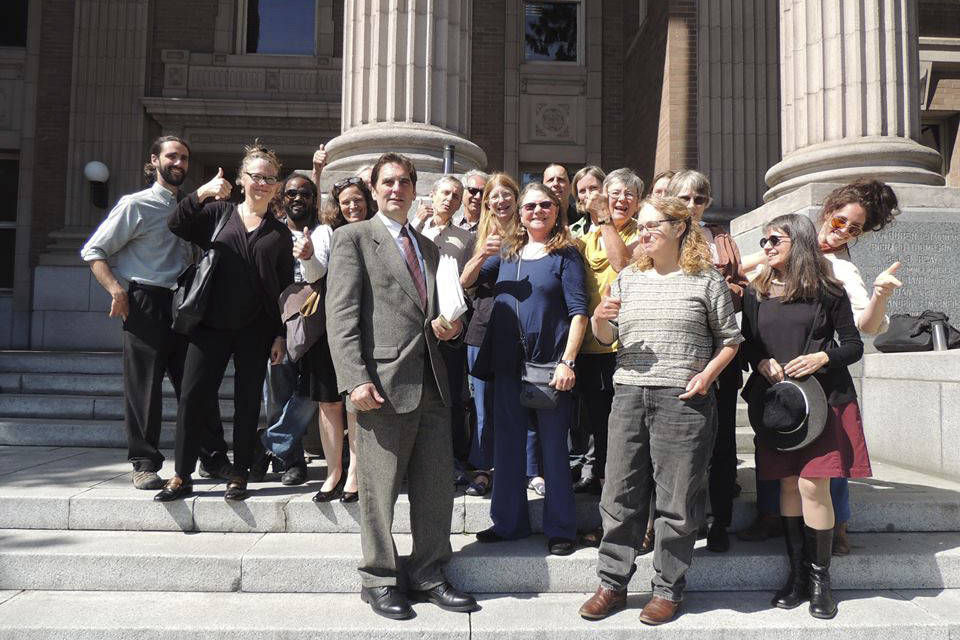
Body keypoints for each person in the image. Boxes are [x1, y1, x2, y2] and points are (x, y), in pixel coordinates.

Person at [326, 153, 477, 620]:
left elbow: (434, 309)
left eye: (404, 182)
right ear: (374, 189)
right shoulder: (352, 238)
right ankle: (379, 578)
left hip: (432, 381)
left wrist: (449, 327)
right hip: (382, 385)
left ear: (415, 190)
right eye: (387, 182)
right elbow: (342, 316)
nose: (396, 189)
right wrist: (354, 379)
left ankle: (430, 574)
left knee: (435, 489)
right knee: (379, 490)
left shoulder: (429, 247)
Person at [579, 195, 742, 626]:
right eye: (642, 224)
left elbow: (731, 340)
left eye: (653, 224)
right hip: (629, 394)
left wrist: (706, 377)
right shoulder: (629, 277)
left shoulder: (706, 280)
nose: (644, 231)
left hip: (683, 400)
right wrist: (599, 317)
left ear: (679, 228)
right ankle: (612, 583)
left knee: (677, 500)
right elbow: (605, 334)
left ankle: (668, 589)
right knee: (619, 493)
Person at [738, 180, 901, 554]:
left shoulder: (840, 274)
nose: (842, 230)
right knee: (779, 457)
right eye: (840, 220)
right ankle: (771, 517)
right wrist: (776, 251)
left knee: (824, 469)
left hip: (820, 384)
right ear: (828, 212)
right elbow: (739, 279)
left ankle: (835, 530)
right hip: (777, 384)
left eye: (853, 229)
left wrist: (880, 294)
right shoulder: (782, 244)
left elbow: (866, 330)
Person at [740, 213, 870, 620]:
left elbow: (853, 346)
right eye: (763, 241)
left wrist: (821, 356)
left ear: (797, 240)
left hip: (822, 400)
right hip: (780, 407)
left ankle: (820, 581)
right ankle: (796, 577)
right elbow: (746, 344)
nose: (766, 248)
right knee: (789, 488)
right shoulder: (755, 291)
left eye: (773, 239)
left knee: (815, 488)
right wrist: (760, 363)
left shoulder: (828, 290)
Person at [81, 136, 229, 490]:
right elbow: (94, 250)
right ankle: (145, 462)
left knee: (197, 384)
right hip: (146, 300)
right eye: (172, 156)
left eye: (184, 158)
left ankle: (212, 456)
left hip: (185, 304)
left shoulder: (190, 207)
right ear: (155, 160)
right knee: (144, 387)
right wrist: (116, 290)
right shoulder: (136, 205)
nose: (179, 163)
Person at [155, 142, 293, 502]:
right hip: (209, 326)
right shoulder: (218, 213)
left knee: (248, 403)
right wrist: (200, 193)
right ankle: (182, 474)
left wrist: (279, 335)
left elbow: (281, 290)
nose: (261, 183)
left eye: (269, 178)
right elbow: (176, 223)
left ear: (276, 186)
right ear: (241, 178)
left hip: (255, 330)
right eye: (255, 176)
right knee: (192, 398)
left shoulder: (280, 234)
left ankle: (239, 473)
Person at [462, 182, 588, 556]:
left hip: (550, 364)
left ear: (557, 210)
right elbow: (467, 283)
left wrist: (568, 361)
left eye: (545, 205)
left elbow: (579, 314)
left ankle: (561, 528)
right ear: (520, 212)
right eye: (530, 206)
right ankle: (508, 523)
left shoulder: (566, 254)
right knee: (508, 447)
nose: (537, 211)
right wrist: (478, 255)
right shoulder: (506, 251)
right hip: (507, 363)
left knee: (552, 449)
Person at [667, 169, 750, 553]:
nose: (692, 206)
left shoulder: (720, 238)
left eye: (699, 199)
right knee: (683, 441)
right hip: (678, 352)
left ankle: (720, 521)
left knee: (722, 441)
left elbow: (741, 288)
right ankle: (684, 519)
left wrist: (723, 289)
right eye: (684, 198)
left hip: (722, 352)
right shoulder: (663, 236)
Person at [258, 173, 336, 487]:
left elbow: (326, 273)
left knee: (309, 393)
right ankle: (292, 462)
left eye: (304, 193)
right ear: (283, 197)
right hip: (276, 321)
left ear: (313, 199)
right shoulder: (272, 231)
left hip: (315, 321)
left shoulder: (324, 232)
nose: (297, 199)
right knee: (278, 391)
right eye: (291, 193)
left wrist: (308, 254)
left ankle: (266, 442)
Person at [573, 168, 643, 502]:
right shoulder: (584, 240)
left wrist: (604, 221)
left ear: (639, 202)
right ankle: (608, 507)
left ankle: (628, 508)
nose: (621, 200)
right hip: (590, 348)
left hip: (626, 348)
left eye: (630, 194)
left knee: (624, 435)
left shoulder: (642, 234)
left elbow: (623, 264)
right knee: (599, 431)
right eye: (614, 193)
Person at [459, 173, 521, 497]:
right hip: (481, 330)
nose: (500, 201)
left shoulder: (527, 235)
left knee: (512, 405)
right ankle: (482, 469)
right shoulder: (479, 236)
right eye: (493, 197)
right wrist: (482, 253)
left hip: (517, 331)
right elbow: (465, 282)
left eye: (505, 195)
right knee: (482, 406)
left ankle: (514, 468)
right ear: (487, 204)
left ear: (515, 197)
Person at [569, 165, 606, 237]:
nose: (588, 195)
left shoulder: (623, 222)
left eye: (593, 188)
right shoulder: (573, 231)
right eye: (582, 191)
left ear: (605, 189)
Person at [543, 162, 582, 227]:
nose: (555, 184)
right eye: (550, 180)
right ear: (542, 187)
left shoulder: (583, 218)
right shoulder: (536, 219)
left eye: (561, 179)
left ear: (570, 186)